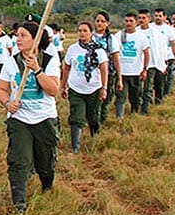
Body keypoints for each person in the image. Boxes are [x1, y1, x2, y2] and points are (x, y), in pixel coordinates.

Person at [0, 20, 61, 213]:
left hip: (44, 118)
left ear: (36, 39)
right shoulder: (12, 61)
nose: (18, 39)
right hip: (20, 119)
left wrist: (37, 70)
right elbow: (1, 89)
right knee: (19, 159)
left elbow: (53, 90)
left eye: (23, 36)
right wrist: (8, 103)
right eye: (17, 35)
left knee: (45, 161)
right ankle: (19, 204)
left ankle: (47, 186)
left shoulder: (49, 60)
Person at [62, 22, 109, 153]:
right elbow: (66, 68)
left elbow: (104, 70)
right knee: (76, 116)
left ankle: (95, 138)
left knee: (93, 116)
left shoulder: (99, 50)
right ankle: (75, 147)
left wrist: (104, 88)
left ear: (91, 33)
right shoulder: (72, 49)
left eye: (85, 30)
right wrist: (63, 86)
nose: (82, 33)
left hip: (94, 89)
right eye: (80, 30)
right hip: (76, 89)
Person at [138, 9, 175, 114]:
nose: (141, 20)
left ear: (148, 19)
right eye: (139, 18)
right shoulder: (136, 31)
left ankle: (152, 106)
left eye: (144, 18)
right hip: (140, 64)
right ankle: (142, 108)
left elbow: (162, 48)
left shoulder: (156, 33)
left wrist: (163, 62)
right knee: (143, 87)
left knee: (155, 86)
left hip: (154, 63)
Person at [117, 13, 150, 118]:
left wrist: (145, 69)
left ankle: (134, 114)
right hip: (122, 73)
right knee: (120, 96)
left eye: (131, 21)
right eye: (126, 21)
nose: (128, 23)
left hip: (136, 72)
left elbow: (146, 54)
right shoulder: (119, 35)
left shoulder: (141, 37)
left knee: (135, 96)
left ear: (136, 22)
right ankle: (119, 117)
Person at [93, 11, 122, 125]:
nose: (99, 23)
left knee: (105, 100)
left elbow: (116, 59)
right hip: (92, 74)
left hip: (108, 73)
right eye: (97, 21)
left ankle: (101, 122)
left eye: (102, 21)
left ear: (107, 23)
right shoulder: (90, 36)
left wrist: (119, 78)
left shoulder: (111, 39)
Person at [153, 9, 175, 97]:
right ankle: (158, 95)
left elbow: (174, 44)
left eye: (160, 16)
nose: (158, 18)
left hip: (169, 57)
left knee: (169, 77)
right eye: (156, 16)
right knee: (158, 79)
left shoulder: (169, 29)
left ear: (164, 17)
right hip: (156, 58)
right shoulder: (150, 27)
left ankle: (166, 94)